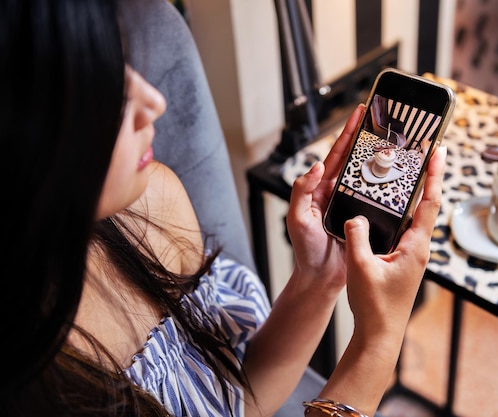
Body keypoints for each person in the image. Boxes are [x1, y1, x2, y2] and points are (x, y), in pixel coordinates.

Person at [1, 1, 446, 416]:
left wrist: (320, 276)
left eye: (126, 64)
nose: (154, 101)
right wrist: (378, 341)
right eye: (109, 90)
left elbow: (238, 399)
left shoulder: (153, 201)